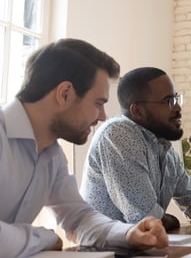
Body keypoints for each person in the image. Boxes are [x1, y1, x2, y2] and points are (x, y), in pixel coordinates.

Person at [0, 39, 168, 258]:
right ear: (65, 94)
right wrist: (45, 238)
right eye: (98, 103)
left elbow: (78, 218)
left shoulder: (52, 155)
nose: (102, 117)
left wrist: (129, 234)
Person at [80, 67, 191, 233]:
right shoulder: (118, 134)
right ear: (137, 111)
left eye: (177, 98)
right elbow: (147, 219)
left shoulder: (163, 147)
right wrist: (171, 220)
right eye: (168, 101)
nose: (177, 108)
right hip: (106, 252)